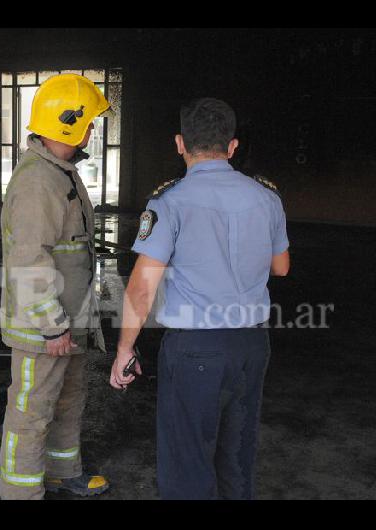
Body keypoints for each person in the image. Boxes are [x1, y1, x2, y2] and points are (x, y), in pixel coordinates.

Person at [110, 97, 290, 499]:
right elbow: (281, 267)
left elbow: (142, 287)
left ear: (179, 143)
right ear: (232, 146)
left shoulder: (169, 202)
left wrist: (125, 348)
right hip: (251, 345)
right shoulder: (267, 198)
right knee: (237, 460)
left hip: (195, 350)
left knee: (187, 464)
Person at [0, 73, 111, 500]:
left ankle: (65, 472)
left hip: (68, 320)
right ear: (70, 123)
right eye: (89, 121)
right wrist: (53, 326)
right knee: (30, 414)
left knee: (67, 400)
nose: (93, 130)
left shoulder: (60, 171)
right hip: (44, 329)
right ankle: (21, 493)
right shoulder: (37, 182)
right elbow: (29, 259)